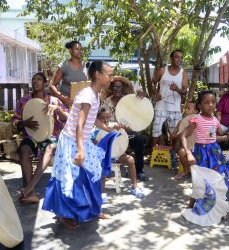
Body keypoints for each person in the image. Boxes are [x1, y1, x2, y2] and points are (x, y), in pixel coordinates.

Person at [42, 61, 116, 229]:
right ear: (98, 74)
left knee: (95, 172)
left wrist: (108, 128)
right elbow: (79, 125)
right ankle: (64, 214)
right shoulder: (87, 96)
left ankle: (93, 209)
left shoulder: (95, 94)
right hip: (71, 141)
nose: (111, 78)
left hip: (80, 139)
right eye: (109, 74)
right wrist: (81, 150)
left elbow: (92, 119)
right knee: (68, 177)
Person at [181, 91, 229, 225]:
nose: (210, 105)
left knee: (219, 179)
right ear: (200, 105)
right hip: (201, 153)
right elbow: (183, 135)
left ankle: (220, 208)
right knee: (200, 182)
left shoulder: (215, 121)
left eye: (213, 102)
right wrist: (188, 153)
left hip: (214, 153)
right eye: (206, 102)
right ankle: (191, 205)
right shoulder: (196, 119)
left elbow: (214, 137)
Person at [11, 72, 68, 204]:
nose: (35, 82)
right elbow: (14, 121)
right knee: (24, 149)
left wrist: (58, 110)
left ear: (45, 83)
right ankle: (30, 193)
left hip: (50, 135)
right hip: (31, 136)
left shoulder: (54, 101)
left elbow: (68, 118)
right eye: (33, 80)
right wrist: (24, 123)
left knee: (50, 147)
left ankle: (29, 188)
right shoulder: (25, 101)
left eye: (39, 80)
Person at [92, 108, 145, 201]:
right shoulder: (95, 130)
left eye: (108, 117)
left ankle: (134, 186)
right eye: (102, 118)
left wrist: (122, 128)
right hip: (103, 156)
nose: (106, 119)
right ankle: (102, 192)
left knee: (130, 160)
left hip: (116, 155)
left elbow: (123, 138)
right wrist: (96, 141)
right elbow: (94, 145)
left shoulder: (115, 126)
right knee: (102, 165)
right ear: (98, 119)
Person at [102, 76, 149, 181]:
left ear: (123, 89)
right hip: (111, 133)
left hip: (127, 133)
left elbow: (143, 102)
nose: (117, 89)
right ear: (111, 88)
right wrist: (112, 126)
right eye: (115, 87)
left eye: (120, 87)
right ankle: (105, 168)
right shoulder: (106, 102)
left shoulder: (129, 101)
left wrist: (145, 95)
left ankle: (139, 171)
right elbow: (101, 119)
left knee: (140, 139)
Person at [151, 49, 188, 147]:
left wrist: (177, 89)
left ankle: (173, 153)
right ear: (171, 59)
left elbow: (185, 91)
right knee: (156, 130)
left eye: (181, 57)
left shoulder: (183, 73)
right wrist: (156, 93)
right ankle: (153, 152)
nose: (179, 59)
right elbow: (153, 82)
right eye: (177, 57)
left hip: (175, 109)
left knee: (175, 133)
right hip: (160, 107)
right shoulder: (163, 70)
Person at [50, 40, 88, 107]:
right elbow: (52, 85)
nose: (80, 51)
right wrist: (63, 98)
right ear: (70, 50)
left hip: (82, 105)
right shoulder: (64, 66)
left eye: (81, 49)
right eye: (77, 49)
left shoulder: (86, 65)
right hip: (67, 105)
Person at [170, 101, 198, 180]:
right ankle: (186, 171)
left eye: (188, 108)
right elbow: (172, 136)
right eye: (185, 108)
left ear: (195, 112)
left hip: (198, 146)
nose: (185, 110)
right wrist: (182, 134)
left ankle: (199, 172)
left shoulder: (199, 120)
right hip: (186, 147)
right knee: (181, 152)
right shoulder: (181, 122)